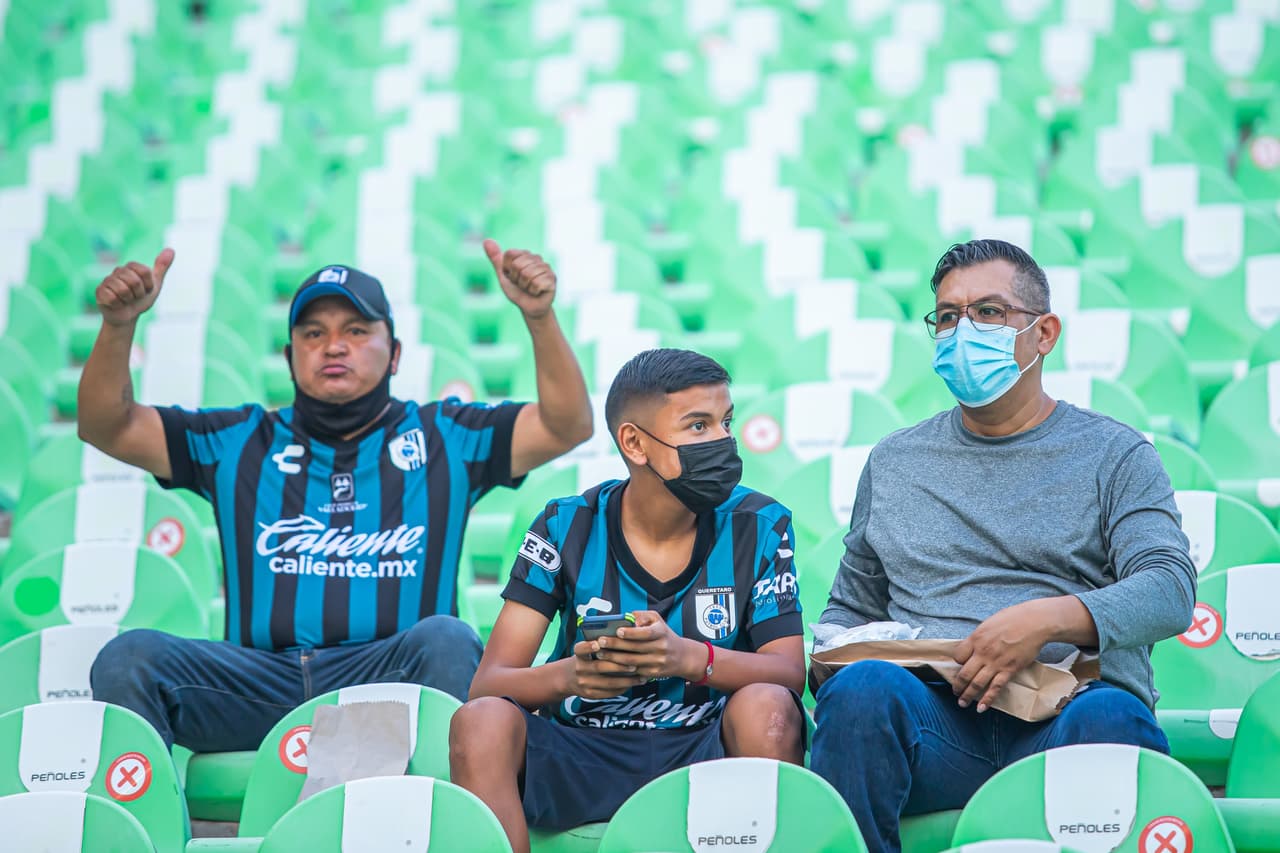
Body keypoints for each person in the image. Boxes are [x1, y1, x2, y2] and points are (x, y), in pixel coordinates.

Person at [79, 240, 593, 752]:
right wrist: (118, 327)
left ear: (394, 355)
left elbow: (566, 425)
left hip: (390, 682)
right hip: (257, 688)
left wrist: (539, 317)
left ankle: (443, 822)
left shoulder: (445, 437)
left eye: (356, 330)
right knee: (129, 658)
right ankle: (152, 831)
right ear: (289, 356)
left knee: (448, 640)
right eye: (313, 333)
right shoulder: (236, 441)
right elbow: (108, 426)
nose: (333, 346)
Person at [808, 239, 1196, 853]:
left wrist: (1045, 620)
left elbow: (1171, 589)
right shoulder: (894, 462)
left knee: (1114, 716)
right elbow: (848, 610)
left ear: (1044, 334)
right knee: (859, 694)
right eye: (948, 316)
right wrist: (833, 656)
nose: (964, 331)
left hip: (1068, 718)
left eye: (989, 312)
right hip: (936, 727)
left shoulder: (1115, 454)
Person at [448, 348, 806, 853]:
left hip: (703, 748)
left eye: (726, 422)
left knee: (768, 707)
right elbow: (488, 684)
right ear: (634, 443)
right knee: (480, 722)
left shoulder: (761, 523)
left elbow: (790, 673)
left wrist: (688, 659)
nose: (723, 441)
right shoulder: (565, 524)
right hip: (583, 753)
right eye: (698, 426)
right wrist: (568, 678)